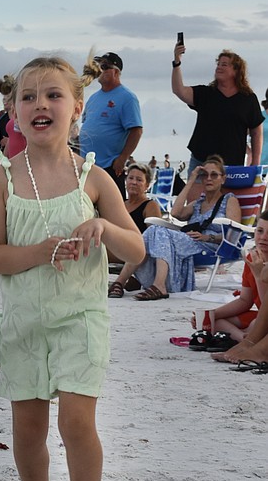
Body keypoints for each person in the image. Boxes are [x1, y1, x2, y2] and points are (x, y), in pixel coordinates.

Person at [0, 56, 144, 481]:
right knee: (28, 429)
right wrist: (43, 250)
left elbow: (135, 249)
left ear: (77, 108)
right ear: (12, 112)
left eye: (53, 95)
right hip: (25, 320)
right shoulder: (0, 179)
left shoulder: (92, 177)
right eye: (28, 97)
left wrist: (102, 227)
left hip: (80, 316)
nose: (40, 104)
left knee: (76, 422)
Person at [117, 156, 241, 299]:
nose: (208, 178)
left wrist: (208, 237)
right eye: (204, 175)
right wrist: (191, 180)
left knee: (157, 230)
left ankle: (158, 285)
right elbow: (175, 213)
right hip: (191, 242)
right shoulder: (198, 204)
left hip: (211, 246)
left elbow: (233, 234)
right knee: (154, 229)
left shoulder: (229, 200)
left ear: (223, 179)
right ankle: (121, 282)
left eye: (214, 175)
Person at [171, 40, 264, 172]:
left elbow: (256, 132)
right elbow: (178, 90)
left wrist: (255, 162)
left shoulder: (248, 99)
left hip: (232, 164)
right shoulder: (206, 93)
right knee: (193, 193)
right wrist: (177, 63)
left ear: (236, 71)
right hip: (201, 161)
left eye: (224, 64)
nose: (219, 67)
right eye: (218, 64)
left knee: (227, 194)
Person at [189, 211, 267, 348]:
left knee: (256, 325)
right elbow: (245, 300)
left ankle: (246, 340)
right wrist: (211, 314)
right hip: (261, 317)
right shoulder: (252, 259)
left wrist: (259, 275)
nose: (264, 237)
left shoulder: (257, 263)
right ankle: (243, 338)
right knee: (216, 321)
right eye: (260, 231)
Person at [79, 52, 143, 196]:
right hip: (87, 167)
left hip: (109, 167)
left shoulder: (127, 97)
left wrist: (122, 158)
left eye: (104, 66)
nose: (99, 70)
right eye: (98, 66)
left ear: (116, 71)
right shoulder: (93, 98)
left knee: (110, 214)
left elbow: (136, 131)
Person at [107, 162, 162, 296]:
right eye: (131, 178)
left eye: (139, 180)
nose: (134, 182)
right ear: (126, 181)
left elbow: (154, 236)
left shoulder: (150, 205)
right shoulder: (121, 204)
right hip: (116, 248)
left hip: (135, 250)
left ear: (147, 185)